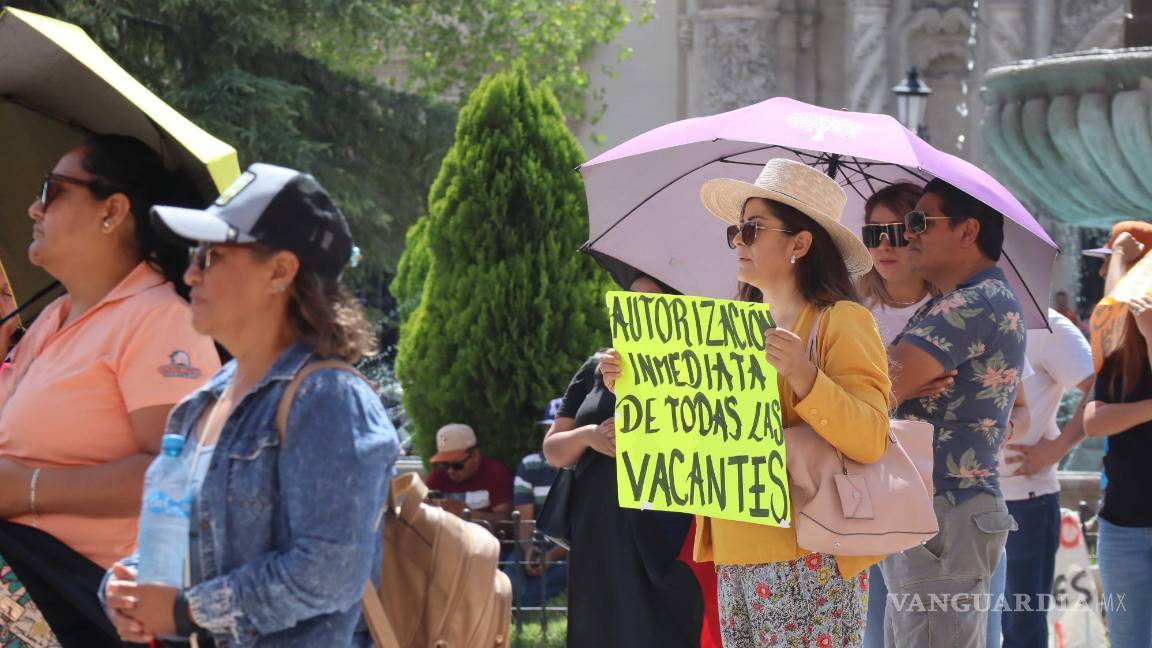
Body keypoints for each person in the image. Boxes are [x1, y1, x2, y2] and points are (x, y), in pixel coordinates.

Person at [102, 163, 399, 646]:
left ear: (280, 271)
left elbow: (331, 571)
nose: (190, 271)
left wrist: (188, 611)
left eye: (212, 255)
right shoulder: (203, 400)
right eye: (195, 253)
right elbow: (187, 539)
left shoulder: (328, 401)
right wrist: (126, 584)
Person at [605, 159, 891, 646]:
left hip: (809, 549)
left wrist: (805, 375)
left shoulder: (841, 321)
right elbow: (699, 433)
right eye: (737, 230)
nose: (738, 240)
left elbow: (870, 437)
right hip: (736, 547)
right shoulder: (730, 328)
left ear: (800, 244)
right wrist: (636, 390)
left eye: (753, 229)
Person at [0, 135, 220, 645]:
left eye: (51, 190)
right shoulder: (52, 318)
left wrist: (26, 490)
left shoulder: (161, 319)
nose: (34, 206)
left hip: (89, 600)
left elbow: (178, 473)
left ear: (113, 211)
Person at [881, 178, 1026, 648]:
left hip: (944, 512)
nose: (909, 234)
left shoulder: (971, 303)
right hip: (941, 510)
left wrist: (883, 366)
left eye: (921, 222)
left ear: (968, 231)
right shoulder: (958, 300)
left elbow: (878, 386)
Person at [543, 275, 711, 648]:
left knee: (657, 627)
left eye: (653, 302)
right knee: (598, 626)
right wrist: (590, 437)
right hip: (598, 525)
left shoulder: (693, 367)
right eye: (632, 300)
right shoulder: (596, 367)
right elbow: (553, 450)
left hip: (662, 523)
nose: (639, 310)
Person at [997, 308, 1094, 648]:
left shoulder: (1046, 324)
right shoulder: (948, 308)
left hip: (1026, 501)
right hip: (955, 497)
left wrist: (1058, 448)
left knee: (1022, 628)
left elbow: (1098, 386)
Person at [1083, 258, 1152, 648]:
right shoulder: (1121, 358)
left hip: (1126, 527)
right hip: (1121, 526)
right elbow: (1094, 422)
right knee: (1127, 641)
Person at [503, 398, 569, 607]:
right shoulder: (529, 466)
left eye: (560, 429)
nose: (553, 434)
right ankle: (516, 603)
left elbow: (586, 530)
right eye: (548, 429)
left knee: (570, 569)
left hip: (570, 551)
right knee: (513, 566)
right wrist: (529, 549)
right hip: (537, 546)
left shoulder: (588, 468)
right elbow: (524, 521)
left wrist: (551, 556)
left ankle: (524, 605)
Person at [425, 423, 514, 532]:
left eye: (456, 465)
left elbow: (506, 521)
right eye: (444, 465)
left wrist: (469, 514)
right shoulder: (438, 476)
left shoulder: (495, 473)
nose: (450, 471)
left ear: (475, 455)